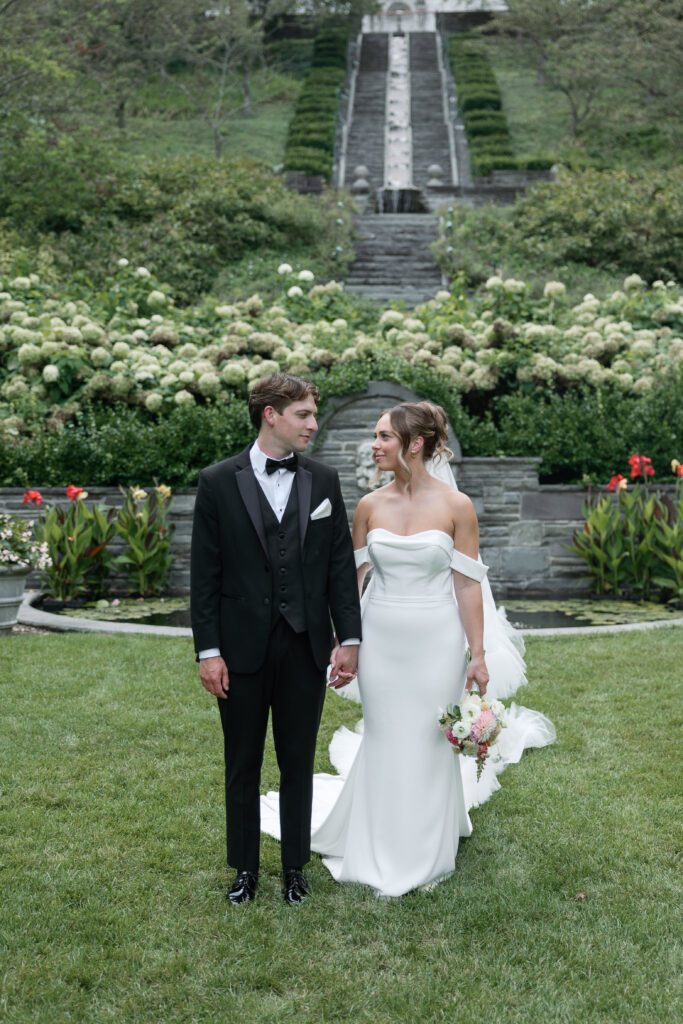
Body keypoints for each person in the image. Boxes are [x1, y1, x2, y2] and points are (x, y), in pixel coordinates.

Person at [261, 400, 556, 897]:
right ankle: (374, 836)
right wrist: (343, 642)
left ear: (414, 444)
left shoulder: (457, 507)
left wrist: (477, 653)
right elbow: (351, 580)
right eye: (375, 437)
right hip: (381, 635)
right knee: (385, 732)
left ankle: (425, 846)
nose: (373, 446)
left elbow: (466, 585)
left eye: (383, 438)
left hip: (437, 638)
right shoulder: (370, 505)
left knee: (426, 737)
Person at [190, 373, 362, 906]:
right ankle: (244, 869)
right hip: (239, 650)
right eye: (304, 414)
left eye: (312, 414)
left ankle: (294, 867)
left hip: (305, 646)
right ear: (271, 414)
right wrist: (209, 652)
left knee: (297, 759)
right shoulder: (217, 481)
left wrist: (349, 639)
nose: (313, 424)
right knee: (241, 761)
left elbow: (338, 568)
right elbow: (205, 575)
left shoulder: (324, 481)